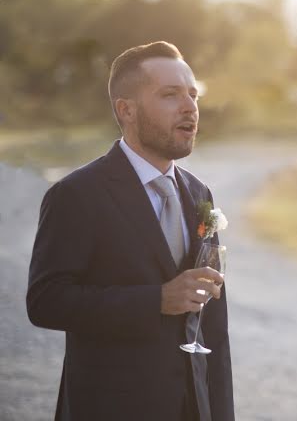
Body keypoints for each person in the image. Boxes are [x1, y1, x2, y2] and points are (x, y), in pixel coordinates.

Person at [26, 41, 234, 421]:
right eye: (170, 95)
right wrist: (156, 299)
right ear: (127, 110)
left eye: (193, 94)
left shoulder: (198, 193)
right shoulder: (76, 195)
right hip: (110, 407)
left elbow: (213, 327)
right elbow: (45, 302)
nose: (190, 107)